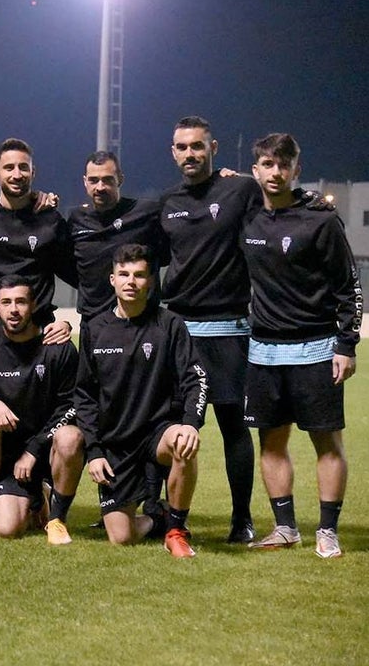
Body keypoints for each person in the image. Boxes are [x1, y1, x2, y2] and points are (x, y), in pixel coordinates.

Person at [240, 134, 361, 558]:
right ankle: (285, 527)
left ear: (296, 168)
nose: (275, 173)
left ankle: (327, 530)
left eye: (283, 165)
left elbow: (348, 287)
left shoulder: (321, 220)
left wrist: (346, 344)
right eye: (267, 165)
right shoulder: (247, 218)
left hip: (315, 349)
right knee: (270, 444)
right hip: (264, 351)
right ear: (255, 170)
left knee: (327, 444)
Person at [157, 116, 263, 543]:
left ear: (214, 147)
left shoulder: (240, 189)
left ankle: (242, 519)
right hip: (179, 329)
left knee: (233, 425)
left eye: (197, 146)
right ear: (173, 152)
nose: (189, 154)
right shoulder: (166, 202)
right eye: (182, 147)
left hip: (228, 329)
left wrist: (317, 202)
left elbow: (276, 214)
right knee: (165, 425)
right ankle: (160, 514)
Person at [75, 244, 208, 557]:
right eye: (124, 274)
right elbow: (84, 395)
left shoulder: (170, 324)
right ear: (112, 280)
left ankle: (176, 529)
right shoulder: (95, 329)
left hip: (157, 433)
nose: (130, 281)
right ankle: (158, 517)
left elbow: (197, 378)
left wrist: (191, 423)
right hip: (116, 444)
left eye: (138, 275)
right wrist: (94, 451)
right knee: (122, 537)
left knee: (183, 443)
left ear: (150, 281)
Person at [0, 276, 84, 544]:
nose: (14, 309)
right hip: (8, 460)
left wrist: (34, 449)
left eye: (21, 301)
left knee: (71, 437)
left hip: (48, 451)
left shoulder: (59, 348)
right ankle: (35, 498)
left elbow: (72, 405)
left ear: (33, 305)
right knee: (6, 529)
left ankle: (57, 519)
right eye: (6, 303)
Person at [0, 138, 76, 340]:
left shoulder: (51, 221)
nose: (17, 174)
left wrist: (67, 323)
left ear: (33, 172)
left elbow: (76, 274)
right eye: (9, 168)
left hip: (39, 333)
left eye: (23, 167)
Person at [67, 151, 169, 321]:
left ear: (120, 179)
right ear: (85, 182)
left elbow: (168, 253)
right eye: (93, 180)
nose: (100, 187)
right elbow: (66, 266)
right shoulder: (75, 219)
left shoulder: (147, 213)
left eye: (107, 180)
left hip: (141, 321)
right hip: (94, 322)